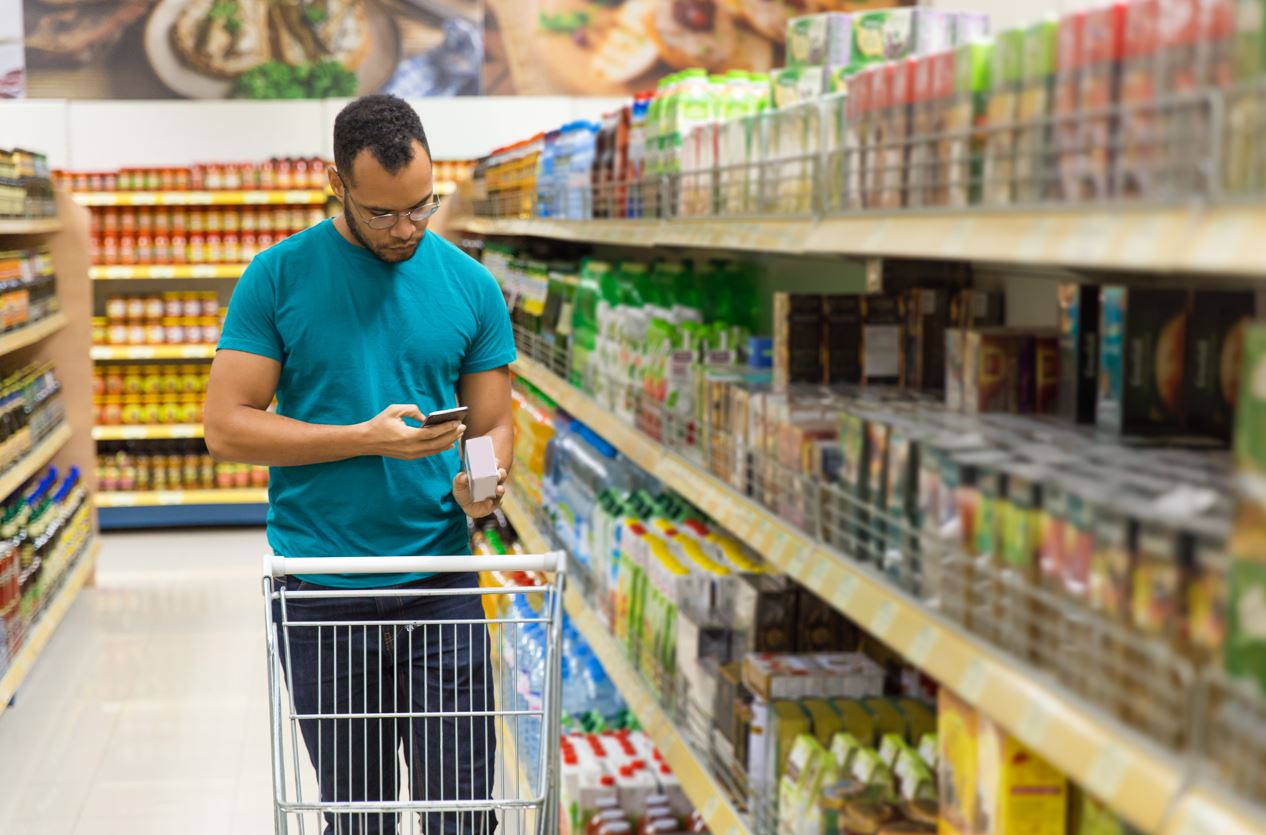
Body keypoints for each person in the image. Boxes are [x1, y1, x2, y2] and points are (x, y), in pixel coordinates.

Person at [204, 95, 515, 835]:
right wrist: (361, 438)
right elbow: (226, 426)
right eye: (383, 214)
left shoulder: (471, 286)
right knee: (356, 815)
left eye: (422, 207)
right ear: (335, 181)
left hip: (442, 584)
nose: (407, 229)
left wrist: (483, 481)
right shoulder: (277, 277)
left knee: (463, 816)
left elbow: (493, 421)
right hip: (321, 589)